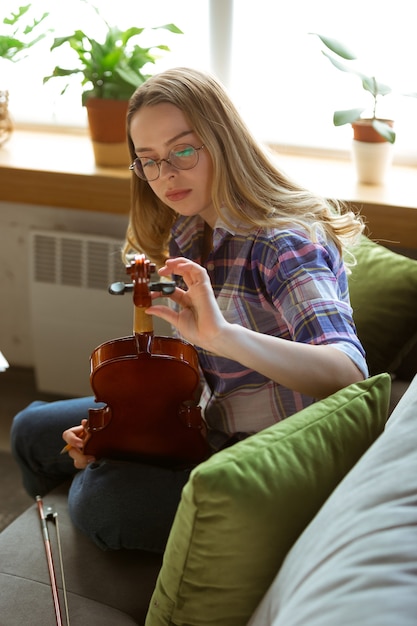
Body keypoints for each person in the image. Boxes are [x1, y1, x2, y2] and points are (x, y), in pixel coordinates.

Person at [11, 67, 368, 553]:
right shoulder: (189, 230)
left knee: (104, 503)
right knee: (31, 430)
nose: (166, 175)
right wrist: (116, 434)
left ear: (223, 141)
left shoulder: (286, 242)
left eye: (182, 150)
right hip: (209, 425)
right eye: (148, 160)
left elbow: (348, 374)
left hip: (264, 460)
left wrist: (221, 337)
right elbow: (197, 385)